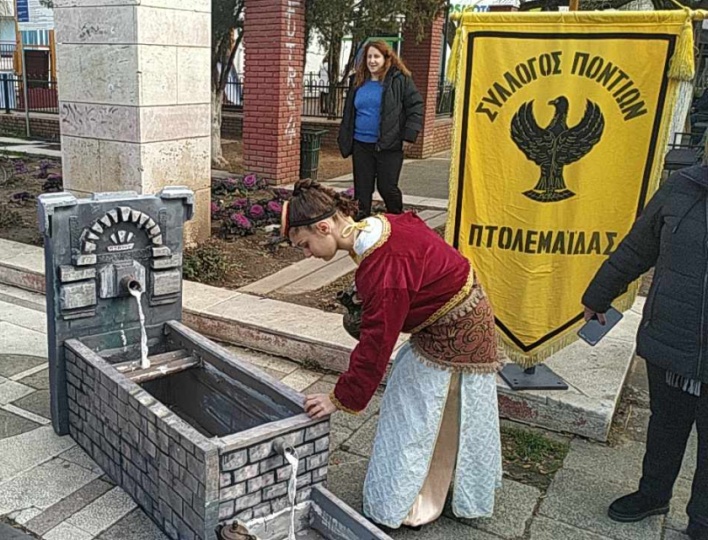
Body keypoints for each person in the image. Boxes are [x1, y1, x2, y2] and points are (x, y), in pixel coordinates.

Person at [282, 179, 502, 530]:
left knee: (416, 415)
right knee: (415, 400)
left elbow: (375, 346)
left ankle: (406, 504)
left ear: (325, 227)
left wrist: (338, 398)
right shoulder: (376, 227)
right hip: (450, 317)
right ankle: (432, 489)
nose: (307, 253)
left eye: (305, 245)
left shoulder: (383, 268)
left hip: (456, 333)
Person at [582, 164, 708, 540]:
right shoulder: (682, 187)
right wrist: (598, 295)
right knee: (666, 425)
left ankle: (702, 521)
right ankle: (653, 494)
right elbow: (637, 248)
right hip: (669, 338)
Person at [337, 40, 423, 220]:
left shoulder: (399, 80)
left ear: (386, 58)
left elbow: (415, 107)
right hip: (361, 145)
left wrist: (409, 135)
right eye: (369, 56)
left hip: (389, 145)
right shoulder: (357, 81)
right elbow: (349, 112)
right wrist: (345, 137)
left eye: (376, 56)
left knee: (387, 187)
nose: (372, 61)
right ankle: (361, 226)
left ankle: (399, 221)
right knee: (362, 189)